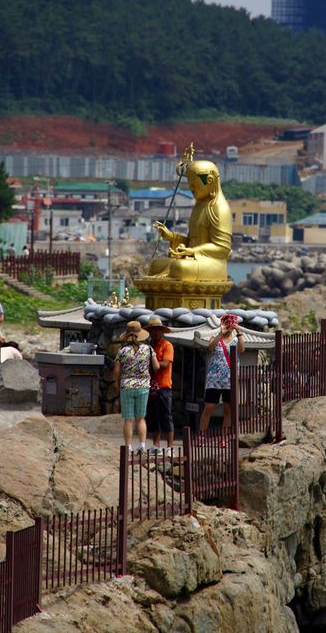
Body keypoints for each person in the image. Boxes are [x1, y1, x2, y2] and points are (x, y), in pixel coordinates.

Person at [149, 160, 232, 282]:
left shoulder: (220, 208)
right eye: (190, 185)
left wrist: (193, 251)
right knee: (155, 265)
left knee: (180, 267)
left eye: (195, 185)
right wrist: (172, 237)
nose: (191, 189)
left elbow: (222, 249)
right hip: (193, 258)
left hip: (212, 263)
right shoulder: (199, 206)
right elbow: (192, 241)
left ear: (209, 181)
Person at [113, 321, 159, 453]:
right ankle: (142, 445)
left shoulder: (122, 351)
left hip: (126, 386)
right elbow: (156, 367)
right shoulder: (149, 349)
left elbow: (116, 370)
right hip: (143, 386)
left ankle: (128, 446)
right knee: (140, 418)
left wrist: (117, 383)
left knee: (128, 418)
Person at [199, 313, 245, 436]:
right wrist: (221, 333)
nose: (229, 326)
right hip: (214, 380)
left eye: (231, 323)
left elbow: (242, 349)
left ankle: (223, 438)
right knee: (209, 407)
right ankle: (201, 436)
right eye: (226, 323)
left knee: (228, 410)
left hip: (230, 380)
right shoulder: (215, 338)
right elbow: (210, 348)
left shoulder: (236, 340)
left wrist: (238, 331)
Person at [145, 316, 174, 454]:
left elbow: (166, 364)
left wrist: (153, 362)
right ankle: (156, 445)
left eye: (157, 330)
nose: (155, 332)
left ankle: (170, 447)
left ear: (161, 331)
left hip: (164, 386)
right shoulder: (148, 346)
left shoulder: (167, 345)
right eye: (152, 330)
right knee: (153, 417)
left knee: (166, 417)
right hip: (150, 386)